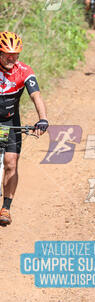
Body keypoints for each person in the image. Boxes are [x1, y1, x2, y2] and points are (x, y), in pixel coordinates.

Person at [0, 31, 48, 226]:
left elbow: (35, 95)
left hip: (11, 122)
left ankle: (6, 208)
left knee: (11, 162)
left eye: (16, 54)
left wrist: (43, 119)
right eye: (7, 54)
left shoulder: (24, 71)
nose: (12, 58)